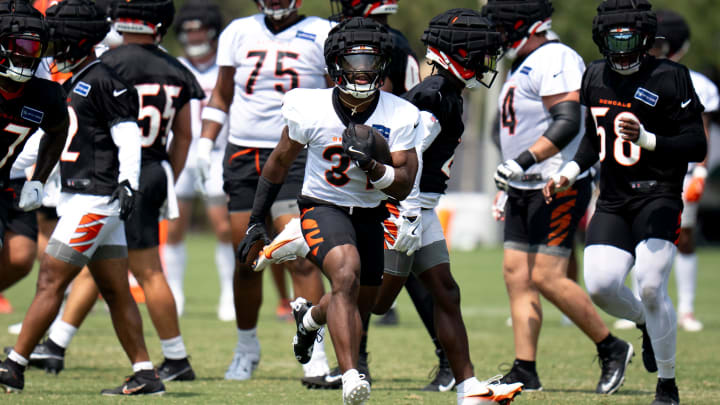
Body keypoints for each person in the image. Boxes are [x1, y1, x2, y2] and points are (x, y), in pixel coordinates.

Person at [237, 16, 421, 405]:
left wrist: (372, 165)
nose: (362, 71)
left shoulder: (400, 113)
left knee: (360, 299)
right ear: (335, 65)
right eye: (353, 63)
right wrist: (256, 220)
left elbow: (404, 183)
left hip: (373, 211)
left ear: (383, 66)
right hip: (323, 206)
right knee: (345, 272)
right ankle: (351, 374)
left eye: (370, 63)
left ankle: (309, 320)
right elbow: (278, 163)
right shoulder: (309, 105)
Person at [27, 0, 203, 383]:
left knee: (145, 270)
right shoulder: (177, 68)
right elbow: (185, 134)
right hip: (153, 167)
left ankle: (175, 356)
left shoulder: (107, 66)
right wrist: (166, 174)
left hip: (115, 174)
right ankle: (56, 342)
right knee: (106, 266)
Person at [0, 0, 167, 395]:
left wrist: (128, 181)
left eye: (55, 41)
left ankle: (14, 365)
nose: (47, 50)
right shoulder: (71, 81)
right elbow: (45, 137)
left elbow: (127, 133)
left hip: (96, 197)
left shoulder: (104, 78)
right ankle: (145, 373)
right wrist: (27, 175)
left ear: (75, 41)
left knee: (50, 279)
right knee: (114, 289)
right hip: (82, 195)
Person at [543, 0, 706, 403]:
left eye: (628, 38)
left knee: (651, 285)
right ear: (602, 39)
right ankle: (647, 325)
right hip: (613, 198)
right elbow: (591, 139)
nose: (621, 46)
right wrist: (568, 171)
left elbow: (697, 144)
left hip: (659, 194)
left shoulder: (671, 77)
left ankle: (667, 383)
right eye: (613, 38)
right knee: (600, 285)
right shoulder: (595, 74)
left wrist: (647, 139)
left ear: (646, 39)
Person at [373, 9, 524, 404]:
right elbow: (408, 153)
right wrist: (403, 210)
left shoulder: (447, 91)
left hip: (421, 207)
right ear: (459, 53)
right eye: (480, 54)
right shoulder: (435, 93)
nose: (485, 62)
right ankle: (314, 316)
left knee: (446, 291)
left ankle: (467, 387)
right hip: (404, 205)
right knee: (374, 301)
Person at [482, 0, 632, 394]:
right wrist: (508, 174)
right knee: (517, 276)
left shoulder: (556, 56)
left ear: (527, 24)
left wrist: (524, 161)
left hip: (556, 180)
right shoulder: (520, 63)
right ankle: (524, 369)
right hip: (522, 182)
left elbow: (568, 121)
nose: (496, 34)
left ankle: (612, 347)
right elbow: (507, 130)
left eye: (501, 25)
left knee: (547, 277)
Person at [197, 0, 331, 381]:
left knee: (300, 254)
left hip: (295, 152)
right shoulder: (237, 31)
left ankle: (314, 352)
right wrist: (206, 143)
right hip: (243, 153)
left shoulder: (321, 32)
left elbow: (333, 94)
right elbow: (221, 94)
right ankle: (246, 346)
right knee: (249, 258)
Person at [159, 0, 235, 322]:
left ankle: (229, 294)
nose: (193, 36)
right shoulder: (173, 64)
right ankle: (174, 293)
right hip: (181, 149)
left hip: (217, 151)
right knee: (174, 226)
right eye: (187, 31)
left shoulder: (225, 66)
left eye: (199, 29)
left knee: (224, 226)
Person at [648, 9, 718, 332]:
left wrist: (701, 172)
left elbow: (702, 130)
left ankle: (687, 308)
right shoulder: (643, 75)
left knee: (683, 237)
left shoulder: (699, 83)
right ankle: (642, 304)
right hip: (647, 167)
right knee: (644, 235)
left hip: (683, 171)